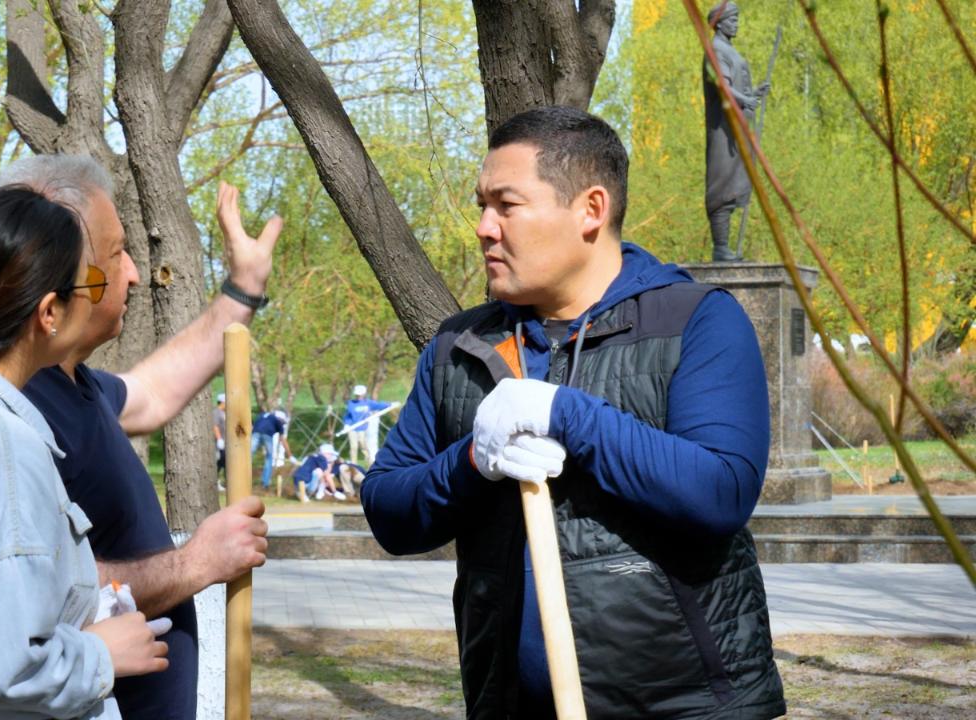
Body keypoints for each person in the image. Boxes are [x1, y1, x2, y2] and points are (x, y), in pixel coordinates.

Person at [362, 106, 785, 718]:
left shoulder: (695, 321)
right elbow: (388, 511)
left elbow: (720, 492)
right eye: (482, 205)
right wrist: (474, 461)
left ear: (591, 209)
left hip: (686, 706)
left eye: (506, 205)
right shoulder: (459, 347)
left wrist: (568, 415)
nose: (483, 228)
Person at [0, 155, 277, 720]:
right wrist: (197, 562)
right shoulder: (19, 404)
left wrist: (244, 288)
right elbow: (38, 583)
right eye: (117, 252)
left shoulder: (72, 382)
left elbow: (154, 391)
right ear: (62, 268)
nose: (132, 273)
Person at [0, 187, 170, 719]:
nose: (101, 295)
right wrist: (101, 654)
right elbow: (1, 670)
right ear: (49, 313)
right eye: (91, 283)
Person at [703, 1, 769, 262]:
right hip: (723, 130)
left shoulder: (728, 50)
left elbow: (735, 86)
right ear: (719, 24)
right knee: (722, 181)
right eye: (732, 20)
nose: (737, 24)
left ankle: (724, 247)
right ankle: (720, 246)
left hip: (738, 129)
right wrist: (745, 99)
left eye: (737, 19)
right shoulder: (715, 50)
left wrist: (753, 93)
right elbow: (722, 85)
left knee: (736, 181)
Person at [341, 384, 396, 466]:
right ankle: (353, 465)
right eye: (357, 395)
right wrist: (346, 424)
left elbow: (379, 405)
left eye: (360, 395)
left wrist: (390, 404)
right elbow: (348, 416)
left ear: (363, 394)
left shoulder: (368, 403)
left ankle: (370, 463)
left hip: (362, 428)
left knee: (363, 445)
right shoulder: (351, 404)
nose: (359, 396)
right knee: (353, 447)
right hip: (352, 429)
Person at [250, 409, 292, 491]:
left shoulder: (261, 416)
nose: (282, 424)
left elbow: (253, 427)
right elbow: (282, 440)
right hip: (268, 435)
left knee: (248, 456)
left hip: (255, 433)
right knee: (269, 458)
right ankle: (265, 482)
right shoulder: (277, 421)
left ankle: (242, 476)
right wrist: (290, 455)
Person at [214, 393, 227, 488]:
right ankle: (216, 482)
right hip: (218, 443)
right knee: (219, 462)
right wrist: (219, 439)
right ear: (223, 402)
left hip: (224, 442)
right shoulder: (216, 412)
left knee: (223, 462)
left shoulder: (223, 413)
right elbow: (215, 426)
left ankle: (221, 482)